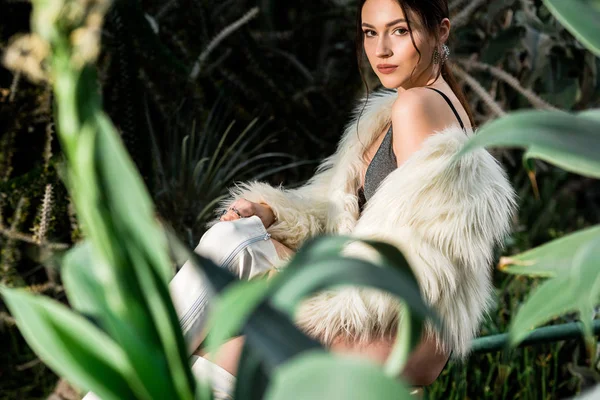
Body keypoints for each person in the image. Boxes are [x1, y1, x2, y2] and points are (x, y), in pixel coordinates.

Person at [84, 0, 517, 399]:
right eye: (369, 33)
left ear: (440, 32)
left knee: (200, 358)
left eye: (399, 31)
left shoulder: (417, 107)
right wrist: (272, 211)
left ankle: (108, 383)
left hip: (392, 328)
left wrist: (304, 287)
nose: (381, 49)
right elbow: (348, 213)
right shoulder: (411, 106)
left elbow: (417, 265)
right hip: (380, 310)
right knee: (235, 240)